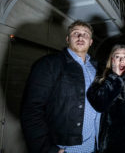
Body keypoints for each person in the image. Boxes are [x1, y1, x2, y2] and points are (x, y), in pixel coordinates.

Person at [21, 20, 100, 153]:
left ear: (91, 42)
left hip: (94, 146)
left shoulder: (96, 68)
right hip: (65, 148)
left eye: (85, 34)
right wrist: (46, 148)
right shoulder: (49, 64)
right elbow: (31, 109)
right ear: (68, 39)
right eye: (76, 33)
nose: (81, 37)